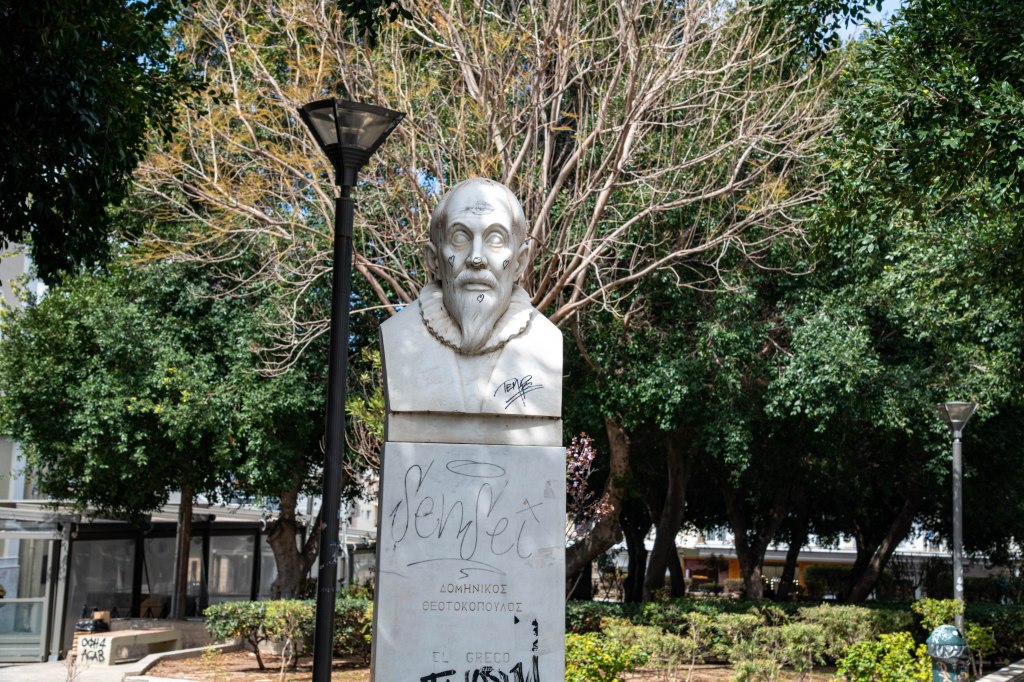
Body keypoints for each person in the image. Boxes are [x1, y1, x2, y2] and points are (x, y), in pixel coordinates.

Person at [380, 178, 562, 419]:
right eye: (460, 238)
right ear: (434, 260)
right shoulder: (399, 336)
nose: (476, 258)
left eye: (495, 239)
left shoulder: (546, 343)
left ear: (519, 262)